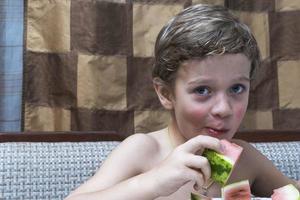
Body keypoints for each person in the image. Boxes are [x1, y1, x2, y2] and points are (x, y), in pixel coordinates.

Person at [65, 4, 300, 200]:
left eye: (237, 88)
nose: (223, 109)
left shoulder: (244, 160)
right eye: (202, 90)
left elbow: (293, 192)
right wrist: (155, 181)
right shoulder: (144, 151)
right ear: (166, 94)